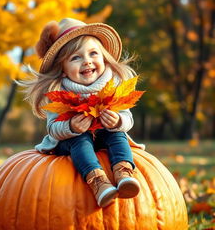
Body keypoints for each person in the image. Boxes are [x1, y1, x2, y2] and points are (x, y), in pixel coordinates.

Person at [19, 18, 140, 208]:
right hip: (72, 141)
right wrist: (70, 126)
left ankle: (123, 172)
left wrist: (117, 121)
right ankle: (98, 181)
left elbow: (128, 118)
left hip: (105, 134)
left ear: (103, 57)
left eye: (93, 53)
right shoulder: (57, 92)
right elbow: (52, 128)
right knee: (80, 140)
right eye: (76, 57)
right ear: (63, 69)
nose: (87, 61)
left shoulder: (112, 84)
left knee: (117, 135)